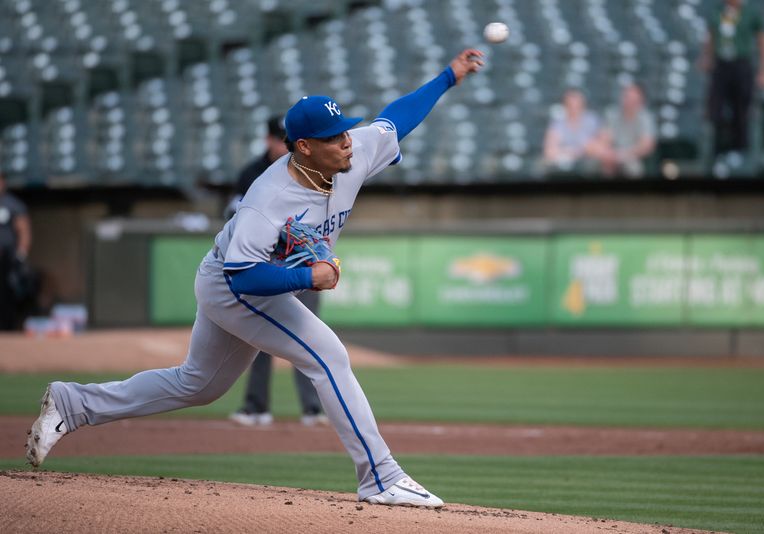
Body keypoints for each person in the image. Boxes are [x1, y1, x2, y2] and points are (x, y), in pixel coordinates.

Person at [25, 48, 485, 508]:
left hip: (236, 277)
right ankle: (381, 476)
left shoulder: (352, 151)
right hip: (233, 285)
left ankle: (73, 404)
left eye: (345, 129)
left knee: (198, 385)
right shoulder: (267, 199)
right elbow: (242, 276)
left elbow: (395, 119)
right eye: (332, 136)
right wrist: (309, 274)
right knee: (328, 356)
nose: (347, 141)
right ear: (304, 146)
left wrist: (448, 76)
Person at [226, 115, 327, 427]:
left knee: (307, 335)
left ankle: (313, 409)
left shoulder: (311, 170)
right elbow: (235, 219)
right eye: (279, 139)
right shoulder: (252, 176)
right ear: (269, 140)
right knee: (259, 341)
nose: (284, 145)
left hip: (301, 263)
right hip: (265, 265)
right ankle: (257, 407)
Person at [701, 0, 764, 155]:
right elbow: (711, 36)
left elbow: (763, 41)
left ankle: (741, 153)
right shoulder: (717, 10)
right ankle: (716, 152)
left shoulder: (750, 12)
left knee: (741, 110)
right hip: (721, 65)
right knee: (715, 110)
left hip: (741, 65)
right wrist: (706, 57)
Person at [542, 88, 607, 175]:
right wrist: (578, 151)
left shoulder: (592, 120)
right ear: (565, 105)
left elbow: (602, 146)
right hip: (563, 163)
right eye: (570, 105)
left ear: (583, 105)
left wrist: (585, 149)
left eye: (577, 105)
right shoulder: (558, 122)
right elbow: (550, 151)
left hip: (589, 162)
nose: (573, 108)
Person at [598, 83, 657, 178]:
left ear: (640, 101)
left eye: (633, 99)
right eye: (626, 97)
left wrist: (623, 155)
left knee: (633, 167)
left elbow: (646, 145)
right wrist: (609, 153)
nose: (628, 101)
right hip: (612, 153)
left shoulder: (646, 118)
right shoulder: (612, 113)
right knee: (596, 163)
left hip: (632, 155)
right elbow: (604, 138)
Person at [0, 170, 33, 330]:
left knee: (9, 291)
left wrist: (21, 253)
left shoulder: (13, 204)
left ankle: (8, 326)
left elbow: (24, 230)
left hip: (8, 258)